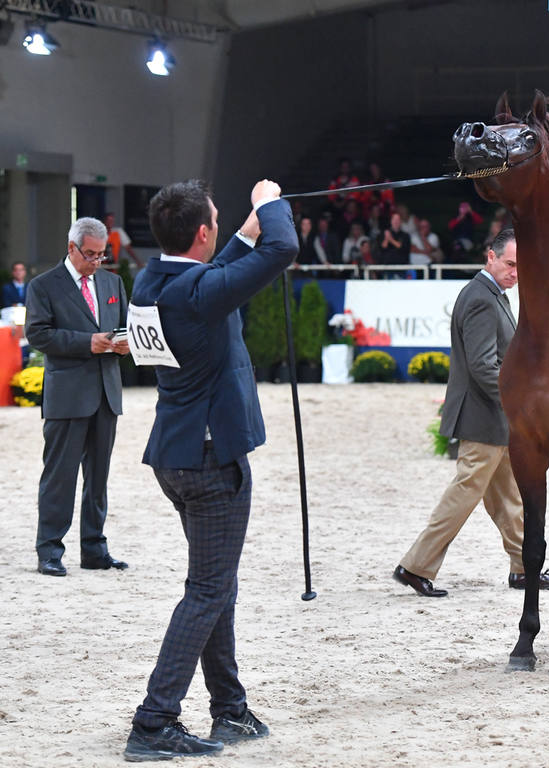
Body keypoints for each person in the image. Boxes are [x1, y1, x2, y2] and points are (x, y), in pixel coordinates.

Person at [123, 179, 298, 761]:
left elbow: (209, 276)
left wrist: (244, 232)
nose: (221, 227)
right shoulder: (197, 292)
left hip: (175, 453)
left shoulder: (154, 280)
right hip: (210, 461)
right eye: (218, 222)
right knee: (208, 590)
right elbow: (283, 249)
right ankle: (154, 721)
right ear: (202, 233)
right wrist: (270, 204)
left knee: (216, 583)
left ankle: (229, 707)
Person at [393, 230, 549, 597]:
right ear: (491, 257)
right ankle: (415, 566)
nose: (516, 272)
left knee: (509, 498)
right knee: (464, 494)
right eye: (510, 264)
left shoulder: (490, 295)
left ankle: (524, 568)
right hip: (483, 416)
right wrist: (515, 403)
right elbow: (483, 365)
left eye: (521, 266)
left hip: (494, 418)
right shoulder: (483, 299)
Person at [24, 217, 129, 577]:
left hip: (107, 393)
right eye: (91, 254)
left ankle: (94, 549)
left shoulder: (113, 282)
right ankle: (50, 550)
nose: (97, 261)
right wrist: (86, 343)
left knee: (98, 478)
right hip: (68, 395)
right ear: (71, 248)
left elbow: (124, 325)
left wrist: (126, 344)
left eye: (102, 255)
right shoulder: (43, 285)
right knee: (60, 477)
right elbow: (38, 334)